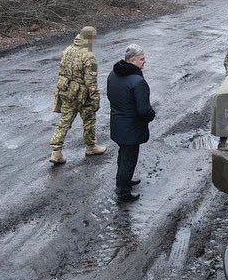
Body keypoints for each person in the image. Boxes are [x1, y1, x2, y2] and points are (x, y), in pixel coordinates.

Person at [50, 26, 107, 164]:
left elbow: (62, 71)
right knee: (89, 120)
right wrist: (95, 99)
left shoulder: (67, 50)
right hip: (82, 94)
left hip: (65, 90)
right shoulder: (89, 56)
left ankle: (56, 152)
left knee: (64, 121)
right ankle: (91, 147)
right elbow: (91, 81)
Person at [107, 44, 156, 202]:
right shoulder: (137, 81)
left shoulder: (112, 75)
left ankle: (123, 181)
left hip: (117, 124)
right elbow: (143, 110)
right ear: (132, 60)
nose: (144, 62)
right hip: (131, 128)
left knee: (123, 155)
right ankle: (123, 192)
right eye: (142, 59)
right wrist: (151, 115)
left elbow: (110, 97)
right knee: (129, 159)